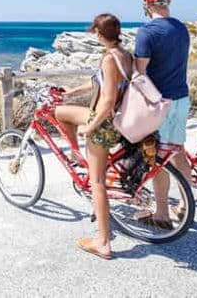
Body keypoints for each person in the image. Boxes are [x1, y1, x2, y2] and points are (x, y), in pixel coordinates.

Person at [55, 13, 133, 260]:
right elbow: (99, 84)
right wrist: (72, 91)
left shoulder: (109, 58)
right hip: (115, 119)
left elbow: (108, 98)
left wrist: (90, 127)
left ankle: (103, 243)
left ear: (99, 34)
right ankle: (78, 154)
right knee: (60, 112)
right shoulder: (124, 54)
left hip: (103, 123)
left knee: (96, 183)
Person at [134, 0, 192, 229]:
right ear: (168, 2)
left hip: (160, 103)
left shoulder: (147, 32)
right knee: (178, 151)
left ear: (146, 3)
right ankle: (185, 205)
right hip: (181, 97)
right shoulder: (181, 28)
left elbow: (139, 71)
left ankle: (161, 214)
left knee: (157, 157)